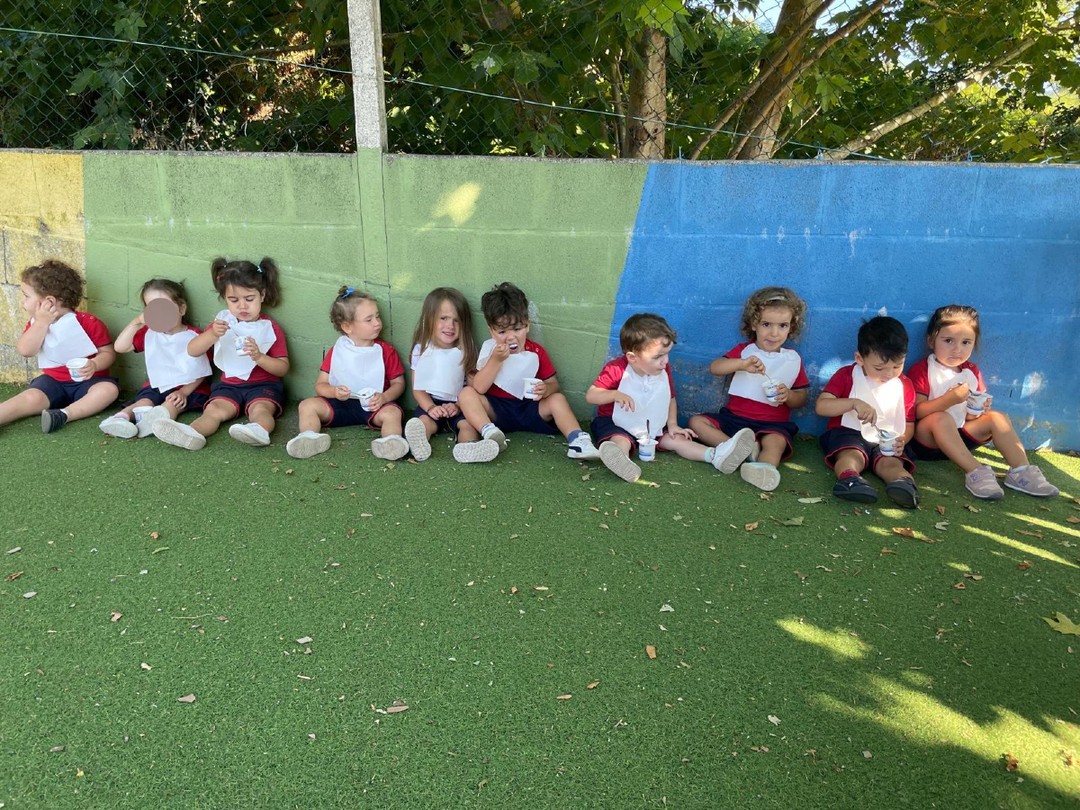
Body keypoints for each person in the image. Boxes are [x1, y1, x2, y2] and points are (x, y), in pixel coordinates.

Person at [908, 304, 1058, 499]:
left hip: (960, 436)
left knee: (997, 417)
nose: (957, 349)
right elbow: (917, 412)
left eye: (966, 342)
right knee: (940, 418)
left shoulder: (971, 371)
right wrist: (948, 400)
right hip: (927, 442)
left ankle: (1021, 471)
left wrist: (977, 410)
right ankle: (976, 471)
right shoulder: (922, 370)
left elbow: (970, 416)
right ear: (931, 340)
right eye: (948, 340)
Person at [586, 313, 756, 483]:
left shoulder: (662, 370)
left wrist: (673, 425)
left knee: (677, 439)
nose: (664, 361)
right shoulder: (616, 369)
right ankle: (621, 460)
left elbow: (670, 398)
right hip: (616, 423)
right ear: (633, 358)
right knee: (620, 439)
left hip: (653, 426)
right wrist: (614, 394)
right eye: (658, 356)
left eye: (667, 354)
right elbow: (591, 395)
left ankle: (715, 455)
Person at [454, 282, 600, 463]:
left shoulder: (536, 352)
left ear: (527, 325)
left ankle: (578, 440)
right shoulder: (489, 351)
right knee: (466, 393)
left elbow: (554, 384)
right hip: (495, 411)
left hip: (529, 408)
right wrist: (495, 361)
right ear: (491, 330)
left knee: (557, 399)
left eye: (517, 329)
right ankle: (489, 433)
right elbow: (480, 387)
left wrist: (545, 389)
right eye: (501, 331)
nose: (510, 337)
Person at [153, 257, 288, 450]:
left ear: (262, 295)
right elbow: (192, 350)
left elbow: (282, 368)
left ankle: (258, 430)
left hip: (263, 386)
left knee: (261, 409)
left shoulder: (270, 328)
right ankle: (191, 433)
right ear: (225, 299)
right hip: (228, 386)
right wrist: (212, 334)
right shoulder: (222, 323)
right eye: (233, 300)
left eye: (249, 299)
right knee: (213, 410)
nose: (242, 306)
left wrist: (259, 356)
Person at [689, 286, 810, 492]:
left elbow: (802, 398)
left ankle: (763, 468)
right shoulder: (745, 351)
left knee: (776, 443)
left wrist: (788, 395)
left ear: (792, 327)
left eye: (782, 325)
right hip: (735, 419)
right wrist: (740, 364)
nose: (774, 333)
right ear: (754, 324)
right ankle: (735, 448)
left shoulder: (792, 359)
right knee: (696, 421)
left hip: (773, 424)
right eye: (766, 324)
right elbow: (716, 367)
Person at [285, 287, 409, 460]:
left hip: (374, 406)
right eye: (369, 319)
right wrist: (334, 392)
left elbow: (399, 383)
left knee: (393, 414)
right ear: (347, 326)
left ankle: (390, 442)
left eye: (377, 316)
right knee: (306, 405)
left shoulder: (385, 350)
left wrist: (385, 398)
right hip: (339, 405)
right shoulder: (338, 350)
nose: (377, 323)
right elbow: (320, 385)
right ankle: (309, 437)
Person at [0, 259, 119, 433]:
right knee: (30, 397)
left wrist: (95, 364)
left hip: (89, 381)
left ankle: (63, 415)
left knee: (108, 390)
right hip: (53, 382)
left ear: (48, 301)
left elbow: (108, 352)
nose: (22, 302)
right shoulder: (36, 323)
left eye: (26, 296)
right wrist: (42, 323)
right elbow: (26, 351)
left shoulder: (89, 323)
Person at [815, 315, 919, 507]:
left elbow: (908, 421)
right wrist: (853, 403)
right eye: (879, 367)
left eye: (897, 366)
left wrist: (902, 439)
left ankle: (904, 485)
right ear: (859, 358)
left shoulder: (904, 385)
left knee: (891, 463)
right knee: (851, 455)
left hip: (886, 439)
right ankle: (850, 480)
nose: (889, 374)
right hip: (849, 433)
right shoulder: (847, 375)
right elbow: (822, 406)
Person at [99, 279, 211, 439]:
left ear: (181, 308)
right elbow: (120, 347)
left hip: (189, 388)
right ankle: (119, 419)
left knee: (173, 403)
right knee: (144, 402)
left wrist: (183, 392)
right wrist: (136, 322)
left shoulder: (195, 336)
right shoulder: (149, 333)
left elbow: (202, 371)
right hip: (158, 384)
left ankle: (156, 423)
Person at [401, 287, 490, 462]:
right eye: (443, 318)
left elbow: (472, 387)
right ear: (429, 319)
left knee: (467, 425)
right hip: (431, 404)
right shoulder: (422, 349)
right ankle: (418, 444)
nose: (450, 325)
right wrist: (430, 408)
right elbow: (418, 389)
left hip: (460, 405)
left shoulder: (466, 349)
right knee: (424, 423)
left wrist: (457, 405)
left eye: (456, 321)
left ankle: (468, 448)